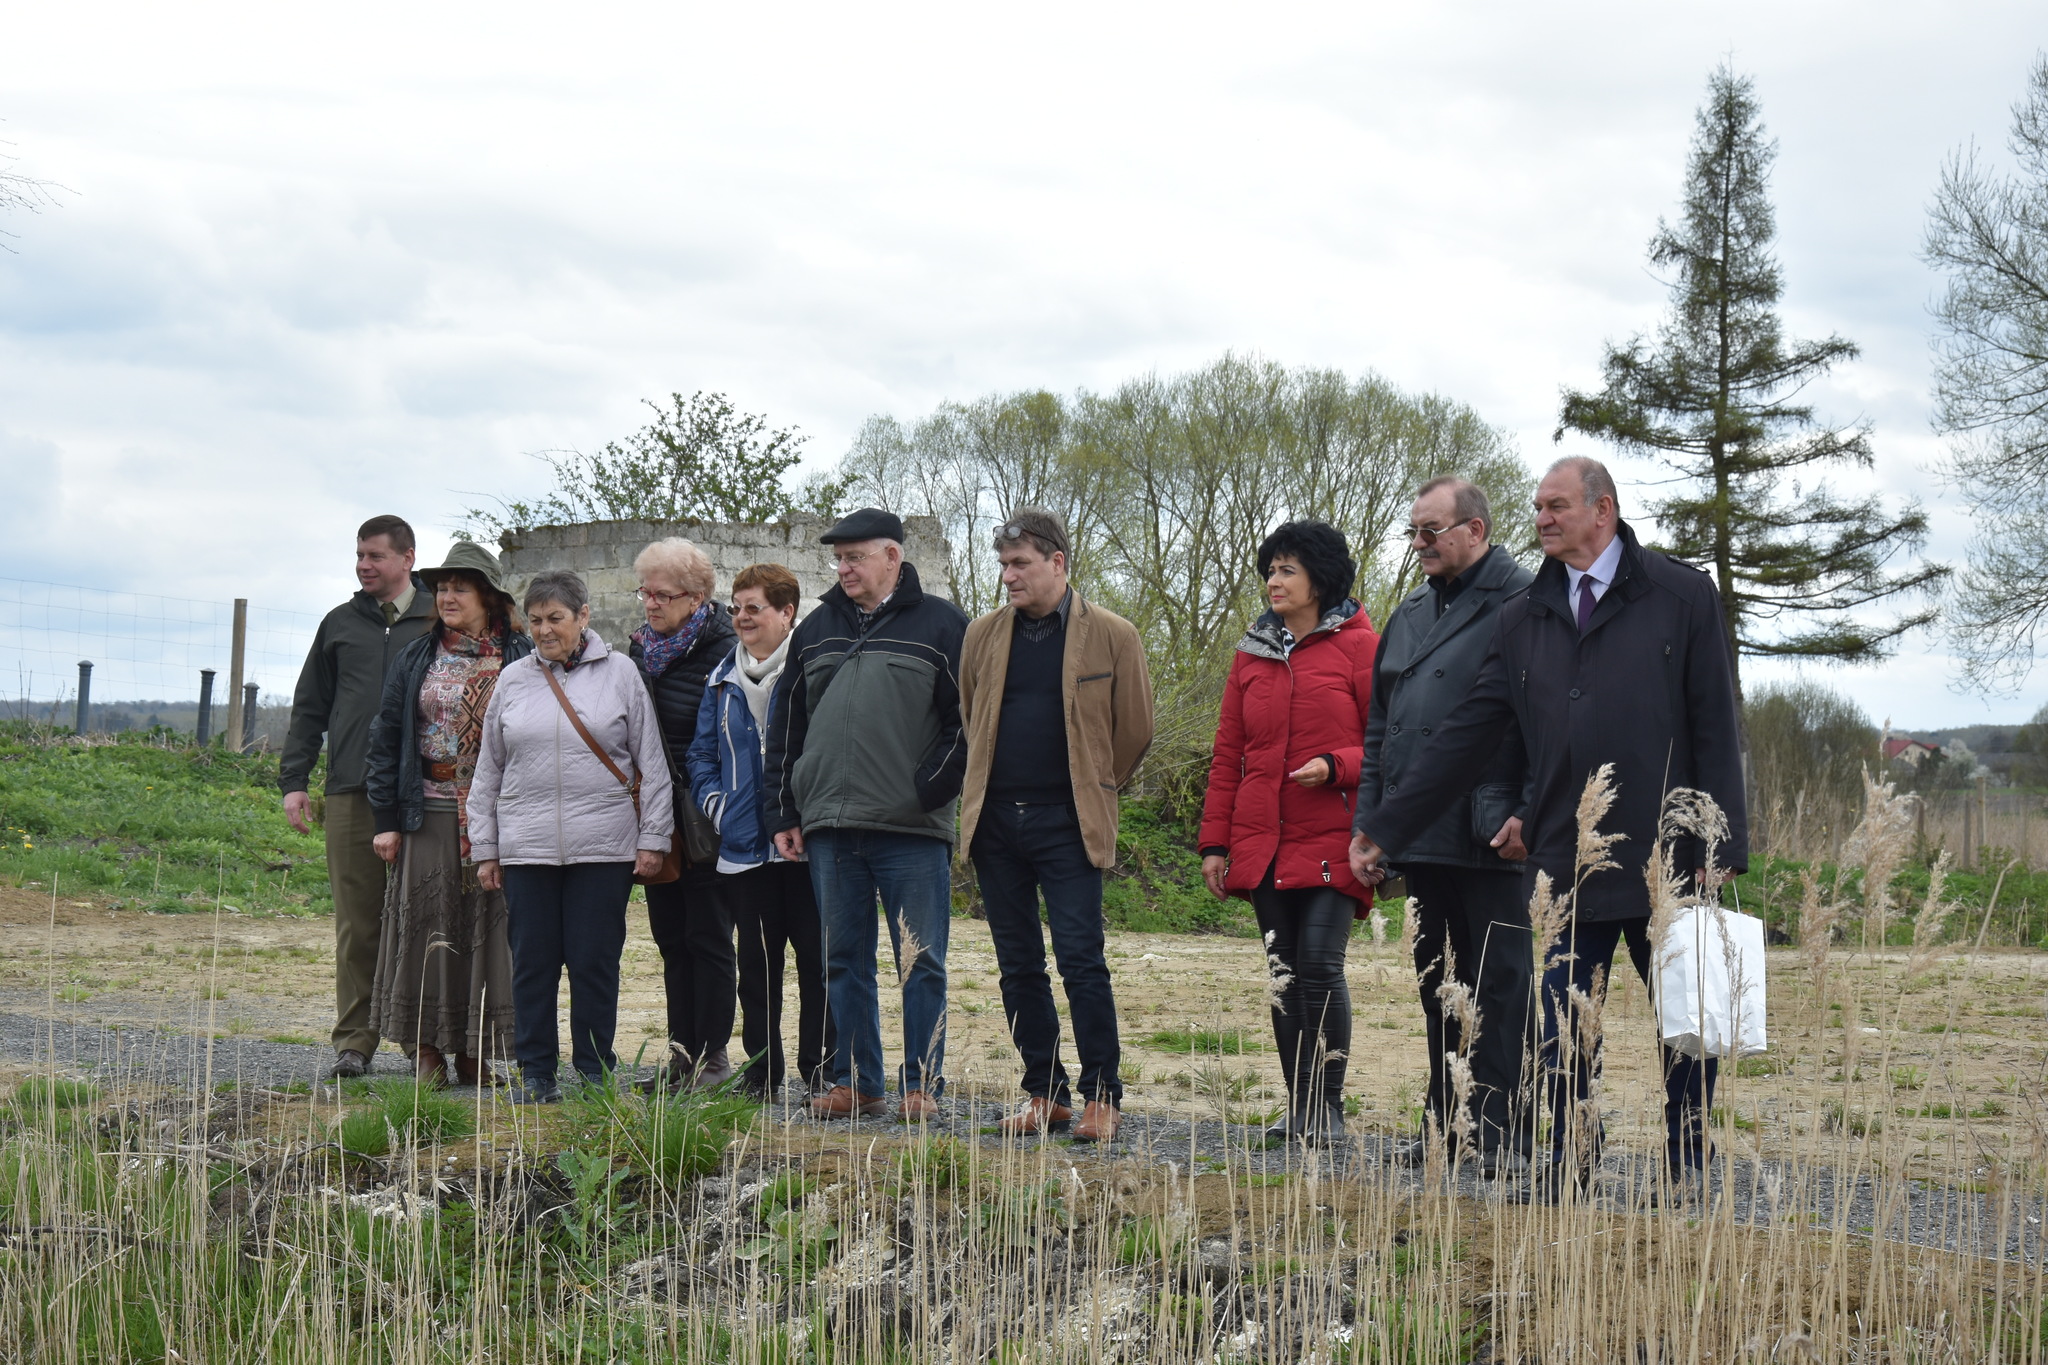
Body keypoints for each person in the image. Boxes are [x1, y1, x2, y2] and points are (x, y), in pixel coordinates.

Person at [1351, 456, 1748, 1199]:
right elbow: (1469, 730)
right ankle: (1572, 1162)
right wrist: (1386, 824)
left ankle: (1689, 1158)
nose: (1541, 518)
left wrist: (1719, 847)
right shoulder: (1525, 615)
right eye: (1537, 506)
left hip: (1671, 854)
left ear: (1604, 510)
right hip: (1571, 855)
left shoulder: (1682, 595)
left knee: (1685, 1018)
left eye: (1557, 505)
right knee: (1564, 1019)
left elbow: (1716, 725)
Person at [764, 508, 968, 1123]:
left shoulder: (943, 624)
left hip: (911, 827)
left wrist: (928, 790)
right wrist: (787, 808)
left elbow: (970, 722)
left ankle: (921, 1085)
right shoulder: (816, 628)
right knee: (842, 959)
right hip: (829, 825)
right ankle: (857, 1082)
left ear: (892, 558)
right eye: (839, 558)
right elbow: (787, 724)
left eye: (855, 557)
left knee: (920, 960)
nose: (843, 567)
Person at [958, 509, 1153, 1143]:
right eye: (1003, 565)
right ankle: (1045, 1094)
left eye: (1020, 564)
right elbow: (971, 717)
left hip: (1069, 825)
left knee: (1080, 961)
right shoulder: (982, 635)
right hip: (995, 825)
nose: (1009, 576)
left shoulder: (1114, 635)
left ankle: (1102, 1096)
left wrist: (1094, 789)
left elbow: (1135, 731)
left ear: (1058, 562)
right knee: (1017, 966)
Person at [1362, 478, 1535, 1174]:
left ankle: (1501, 1131)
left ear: (1476, 528)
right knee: (1440, 983)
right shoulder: (1407, 613)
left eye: (1432, 530)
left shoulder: (1524, 601)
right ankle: (1447, 1124)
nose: (1420, 544)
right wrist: (1371, 823)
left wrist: (1530, 806)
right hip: (1420, 831)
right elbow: (1381, 726)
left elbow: (1545, 717)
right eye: (1414, 532)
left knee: (1499, 984)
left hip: (1492, 832)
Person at [1198, 520, 1380, 1146]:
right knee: (1283, 972)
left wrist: (1336, 766)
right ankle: (1298, 1106)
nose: (1273, 581)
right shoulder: (1250, 654)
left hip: (1337, 835)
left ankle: (1328, 1109)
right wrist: (1216, 844)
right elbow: (1228, 755)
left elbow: (1387, 746)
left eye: (1287, 570)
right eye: (1270, 570)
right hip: (1264, 838)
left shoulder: (1362, 648)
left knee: (1319, 965)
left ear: (1320, 580)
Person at [468, 570, 673, 1103]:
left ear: (583, 617)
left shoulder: (622, 674)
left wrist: (654, 838)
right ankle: (536, 1073)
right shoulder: (512, 680)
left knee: (593, 962)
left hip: (602, 846)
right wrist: (486, 847)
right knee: (532, 963)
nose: (543, 630)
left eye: (555, 619)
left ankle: (594, 1073)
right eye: (535, 620)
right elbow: (488, 771)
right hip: (526, 848)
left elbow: (650, 761)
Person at [363, 541, 530, 1085]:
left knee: (486, 931)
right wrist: (385, 819)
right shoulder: (418, 656)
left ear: (488, 595)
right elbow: (386, 738)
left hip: (498, 819)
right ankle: (428, 1050)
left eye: (460, 586)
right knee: (426, 929)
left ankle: (476, 1054)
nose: (447, 596)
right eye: (442, 587)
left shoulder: (520, 656)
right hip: (427, 814)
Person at [281, 514, 438, 1079]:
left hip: (425, 791)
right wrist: (294, 782)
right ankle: (354, 1040)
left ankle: (425, 1041)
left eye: (375, 556)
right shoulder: (339, 624)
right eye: (360, 555)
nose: (364, 565)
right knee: (357, 923)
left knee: (424, 918)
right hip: (349, 791)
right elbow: (309, 707)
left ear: (407, 559)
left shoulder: (436, 620)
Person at [687, 562, 837, 1100]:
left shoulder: (814, 668)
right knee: (757, 969)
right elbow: (702, 754)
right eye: (736, 607)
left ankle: (823, 1073)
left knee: (819, 967)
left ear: (787, 612)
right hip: (745, 849)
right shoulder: (722, 678)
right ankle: (760, 1075)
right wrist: (721, 808)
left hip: (807, 848)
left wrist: (810, 814)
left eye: (754, 607)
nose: (742, 618)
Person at [627, 537, 740, 1092]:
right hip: (654, 816)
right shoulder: (639, 651)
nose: (650, 603)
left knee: (709, 936)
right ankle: (681, 1055)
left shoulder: (727, 647)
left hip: (707, 815)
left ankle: (714, 1057)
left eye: (662, 595)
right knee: (670, 937)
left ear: (696, 598)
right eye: (645, 591)